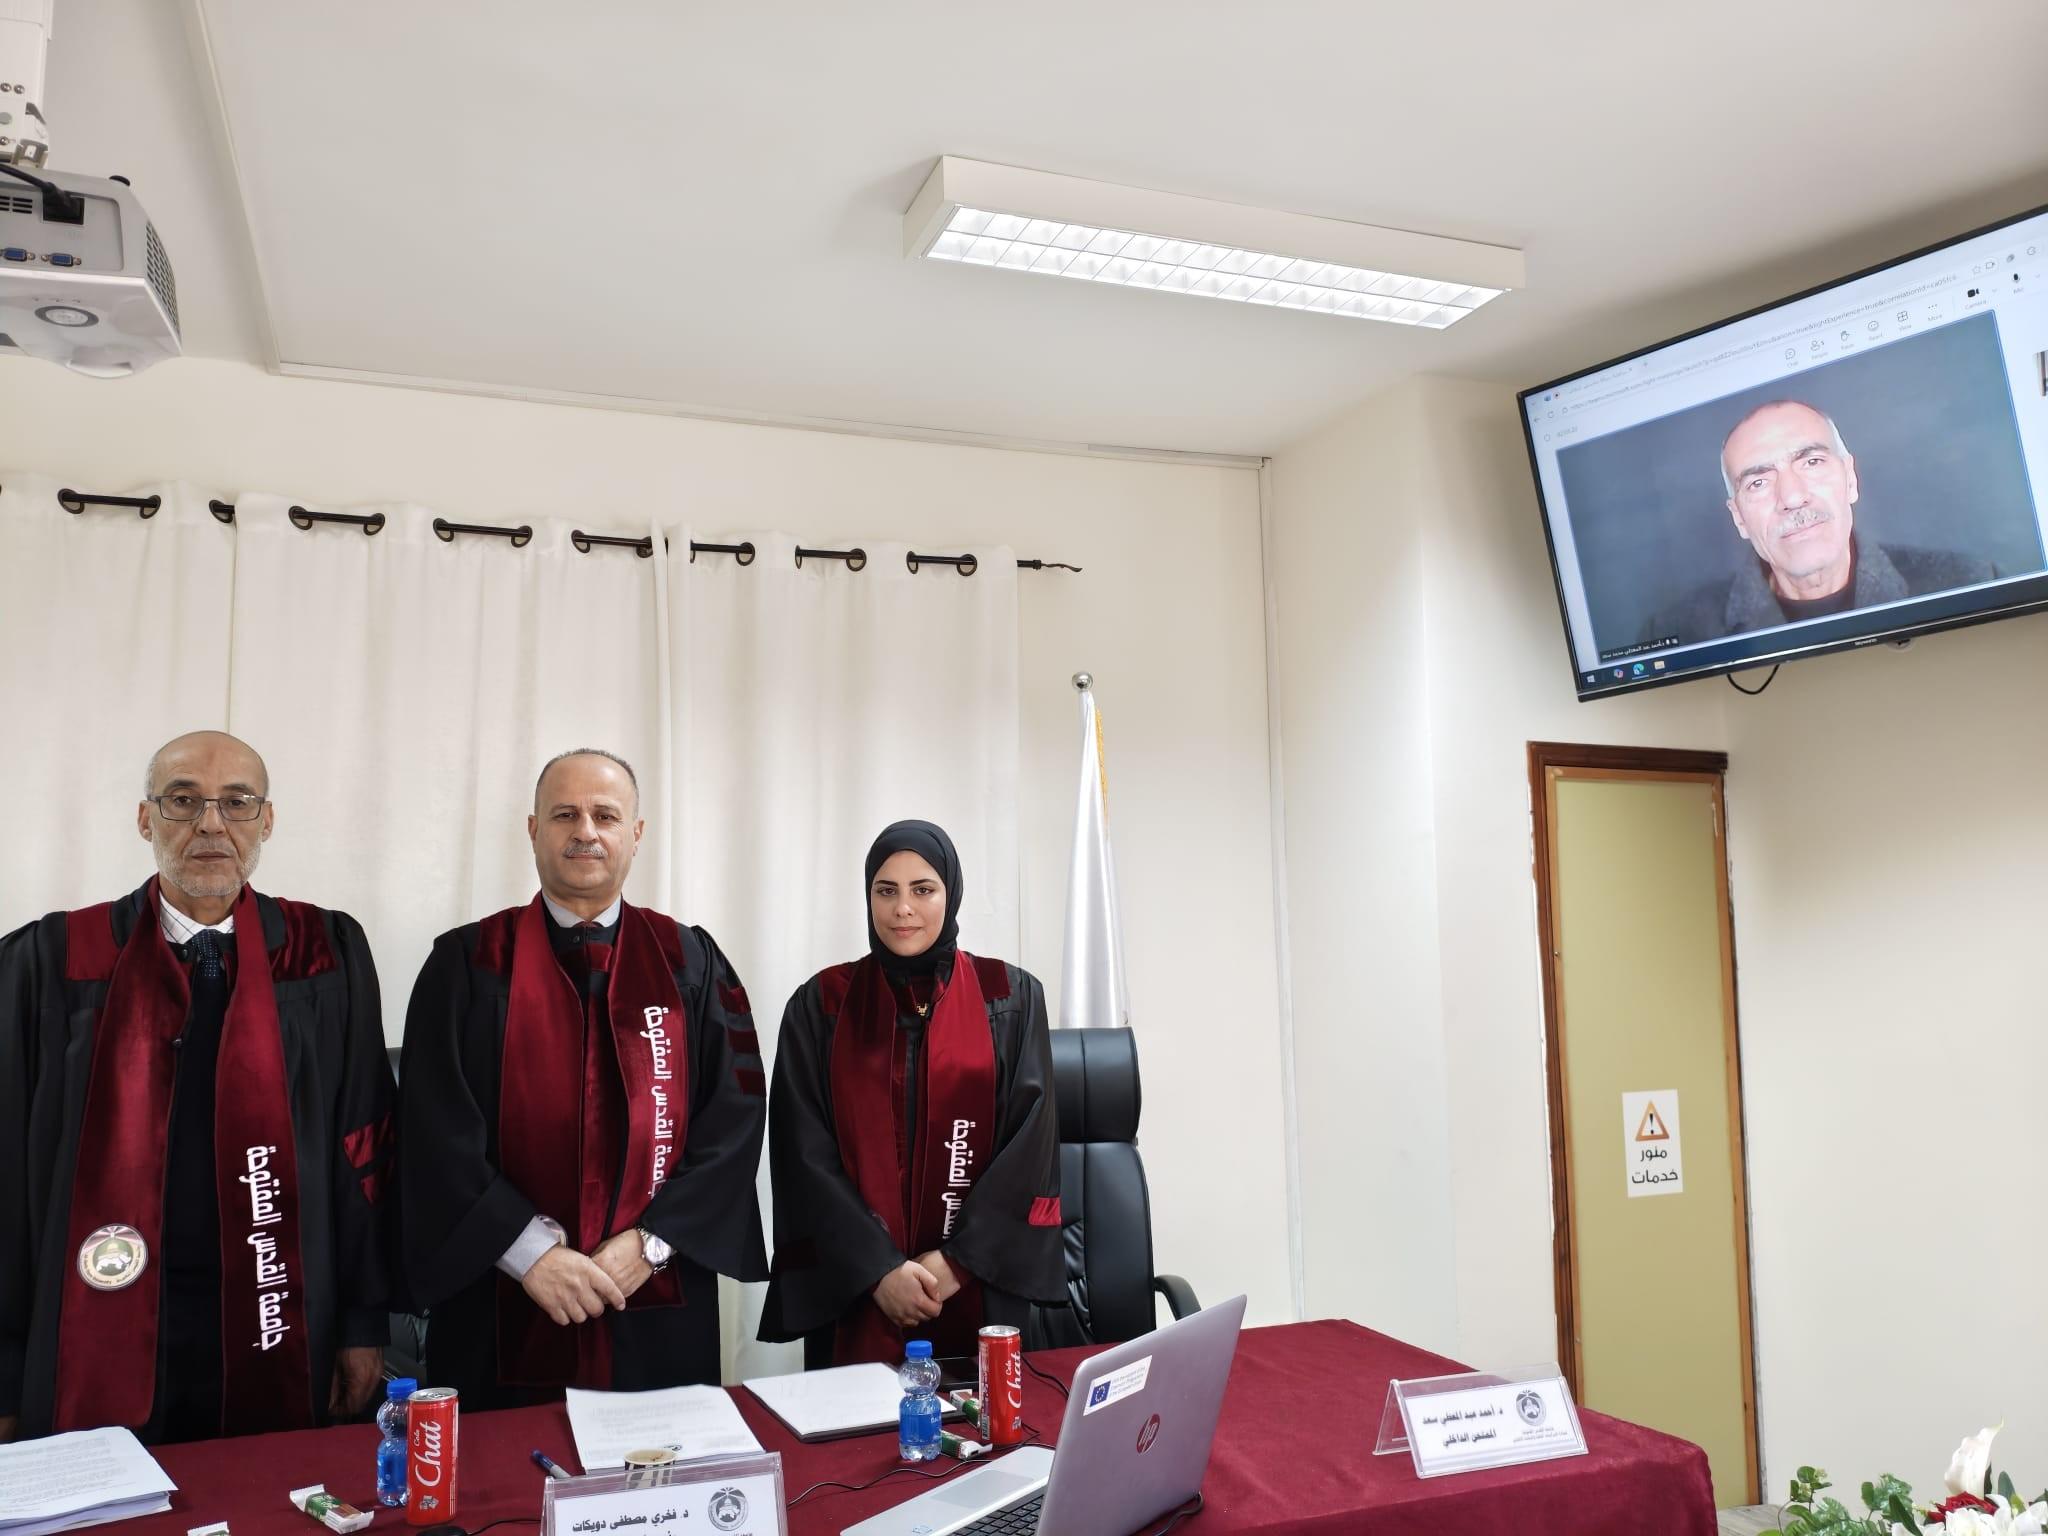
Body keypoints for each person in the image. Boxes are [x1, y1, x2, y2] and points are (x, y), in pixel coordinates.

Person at [0, 731, 397, 1443]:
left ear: (266, 821)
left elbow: (364, 1144)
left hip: (281, 1309)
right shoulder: (50, 961)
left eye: (236, 802)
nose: (211, 824)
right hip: (90, 1320)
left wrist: (363, 1323)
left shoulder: (325, 954)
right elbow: (5, 1174)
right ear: (145, 819)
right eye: (183, 801)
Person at [399, 749, 766, 1407]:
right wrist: (529, 1254)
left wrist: (652, 1244)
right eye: (565, 814)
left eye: (606, 815)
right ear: (533, 829)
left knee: (661, 1460)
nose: (585, 831)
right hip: (502, 1298)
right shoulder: (466, 964)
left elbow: (733, 1121)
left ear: (636, 834)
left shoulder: (690, 961)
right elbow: (433, 1133)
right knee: (505, 1469)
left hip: (656, 1298)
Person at [759, 820, 1063, 1368]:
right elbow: (802, 1153)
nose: (903, 909)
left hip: (980, 1287)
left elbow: (1030, 1147)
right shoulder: (821, 1005)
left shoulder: (1011, 998)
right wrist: (878, 1271)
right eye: (886, 890)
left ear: (951, 893)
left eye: (923, 889)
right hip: (856, 1290)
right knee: (855, 1423)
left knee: (982, 1419)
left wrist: (958, 1262)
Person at [1645, 400, 1996, 645]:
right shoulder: (1676, 630)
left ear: (1850, 479)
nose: (1792, 497)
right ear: (1739, 517)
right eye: (1758, 482)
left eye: (1811, 462)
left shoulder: (1970, 580)